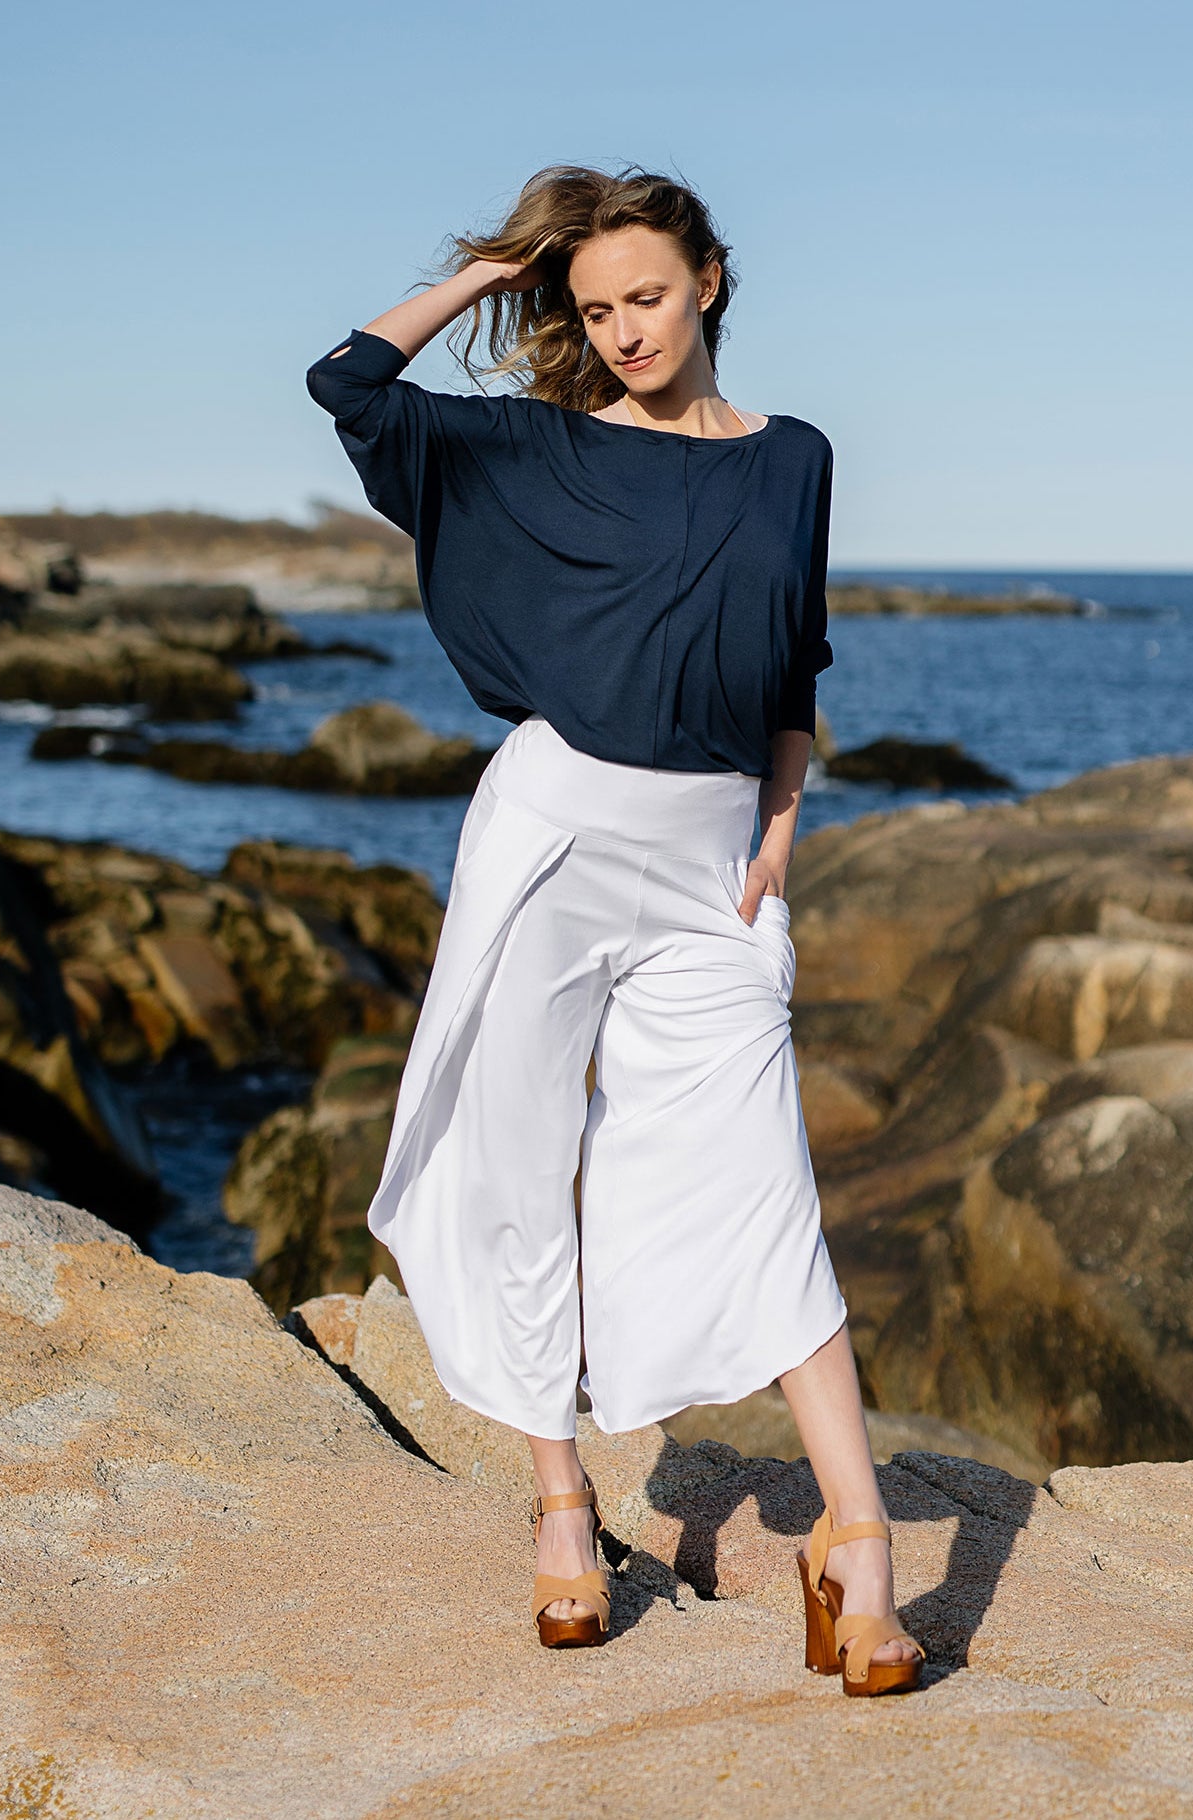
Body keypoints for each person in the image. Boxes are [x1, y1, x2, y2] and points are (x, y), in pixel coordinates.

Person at [305, 162, 925, 1695]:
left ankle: (854, 1542)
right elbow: (348, 381)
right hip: (554, 832)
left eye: (646, 295)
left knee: (760, 1178)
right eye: (592, 309)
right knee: (519, 1166)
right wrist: (502, 264)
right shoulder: (541, 450)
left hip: (713, 859)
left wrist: (782, 816)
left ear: (708, 278)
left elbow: (792, 657)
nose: (625, 328)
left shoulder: (794, 457)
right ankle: (562, 1502)